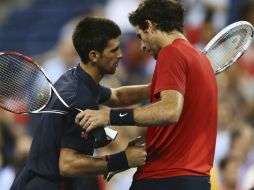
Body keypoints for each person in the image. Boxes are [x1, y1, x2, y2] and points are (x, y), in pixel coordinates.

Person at [75, 0, 218, 190]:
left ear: (150, 26)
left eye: (141, 36)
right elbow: (177, 125)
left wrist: (108, 116)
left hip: (164, 179)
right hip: (195, 180)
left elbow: (169, 111)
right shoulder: (200, 60)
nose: (142, 46)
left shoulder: (171, 53)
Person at [10, 16, 147, 190]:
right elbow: (67, 164)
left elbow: (118, 96)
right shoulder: (80, 98)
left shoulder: (74, 78)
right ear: (94, 56)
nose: (120, 55)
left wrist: (156, 86)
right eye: (113, 50)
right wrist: (123, 159)